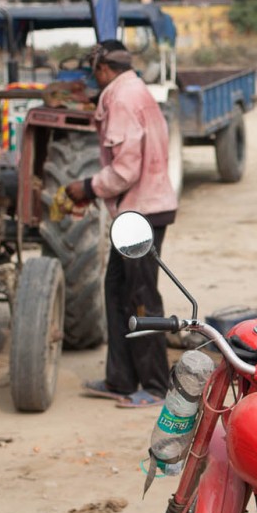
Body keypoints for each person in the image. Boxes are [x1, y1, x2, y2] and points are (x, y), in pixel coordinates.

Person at [65, 41, 178, 406]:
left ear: (101, 69)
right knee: (116, 291)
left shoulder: (122, 99)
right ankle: (121, 379)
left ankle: (155, 386)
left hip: (141, 214)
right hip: (136, 212)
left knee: (140, 299)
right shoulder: (133, 90)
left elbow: (125, 170)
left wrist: (86, 187)